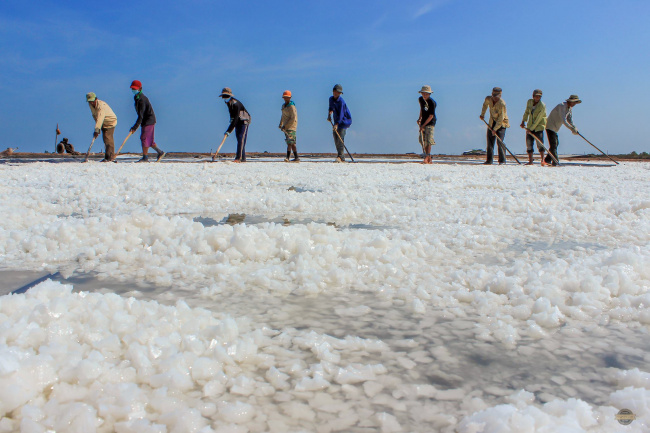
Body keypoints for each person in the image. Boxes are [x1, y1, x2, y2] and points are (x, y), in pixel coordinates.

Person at [129, 80, 165, 163]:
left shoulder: (142, 99)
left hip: (149, 120)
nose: (133, 90)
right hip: (145, 120)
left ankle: (145, 157)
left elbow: (141, 115)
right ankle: (160, 152)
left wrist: (135, 127)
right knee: (149, 140)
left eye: (135, 89)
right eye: (132, 88)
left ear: (140, 88)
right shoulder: (136, 98)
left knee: (144, 138)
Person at [545, 95, 581, 166]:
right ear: (570, 101)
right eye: (574, 102)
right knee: (553, 144)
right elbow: (563, 119)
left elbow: (570, 119)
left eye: (576, 102)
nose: (574, 104)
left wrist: (574, 127)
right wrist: (571, 129)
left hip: (556, 128)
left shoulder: (569, 108)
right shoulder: (562, 106)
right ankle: (555, 161)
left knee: (556, 144)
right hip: (550, 126)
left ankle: (547, 159)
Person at [219, 87, 251, 162]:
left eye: (226, 96)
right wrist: (231, 119)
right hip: (237, 121)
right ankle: (243, 158)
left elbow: (236, 118)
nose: (224, 98)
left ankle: (238, 158)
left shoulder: (236, 104)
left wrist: (229, 130)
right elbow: (232, 115)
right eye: (223, 96)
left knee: (241, 138)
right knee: (238, 138)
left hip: (244, 120)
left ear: (229, 96)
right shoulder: (228, 103)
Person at [479, 87, 509, 164]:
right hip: (492, 122)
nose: (494, 98)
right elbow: (485, 105)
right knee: (490, 142)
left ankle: (502, 161)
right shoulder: (488, 99)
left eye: (497, 96)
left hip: (501, 123)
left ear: (500, 96)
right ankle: (489, 160)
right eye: (493, 95)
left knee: (500, 141)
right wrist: (482, 114)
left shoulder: (502, 104)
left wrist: (495, 129)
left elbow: (501, 118)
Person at [86, 92, 117, 162]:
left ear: (96, 99)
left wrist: (97, 130)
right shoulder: (90, 105)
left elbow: (100, 118)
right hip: (102, 122)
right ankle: (107, 156)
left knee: (108, 138)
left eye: (92, 101)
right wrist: (98, 127)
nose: (91, 103)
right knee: (105, 139)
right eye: (89, 101)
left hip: (110, 121)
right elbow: (95, 116)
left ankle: (110, 157)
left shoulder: (101, 106)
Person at [520, 89, 547, 166]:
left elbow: (539, 118)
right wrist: (523, 121)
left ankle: (542, 160)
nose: (537, 98)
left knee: (540, 143)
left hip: (539, 126)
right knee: (529, 143)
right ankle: (530, 161)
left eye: (539, 96)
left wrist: (531, 129)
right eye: (536, 96)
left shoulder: (542, 105)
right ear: (533, 96)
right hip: (530, 125)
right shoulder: (529, 102)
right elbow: (527, 112)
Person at [327, 84, 352, 162]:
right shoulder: (331, 99)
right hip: (336, 121)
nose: (336, 93)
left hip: (344, 121)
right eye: (335, 92)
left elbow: (341, 114)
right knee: (335, 136)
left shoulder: (341, 101)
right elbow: (331, 108)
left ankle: (341, 157)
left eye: (338, 92)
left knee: (340, 138)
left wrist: (337, 124)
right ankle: (340, 155)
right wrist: (329, 115)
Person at [417, 85, 437, 164]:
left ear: (429, 94)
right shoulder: (421, 99)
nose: (424, 95)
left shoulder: (432, 103)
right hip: (423, 121)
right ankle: (428, 157)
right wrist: (419, 118)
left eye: (426, 94)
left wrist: (423, 125)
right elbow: (421, 109)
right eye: (423, 93)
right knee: (422, 140)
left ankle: (427, 156)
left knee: (428, 140)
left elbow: (431, 116)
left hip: (430, 122)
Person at [278, 90, 299, 162]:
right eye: (284, 97)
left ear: (290, 98)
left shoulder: (292, 107)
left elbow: (293, 118)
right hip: (285, 127)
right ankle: (296, 157)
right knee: (291, 143)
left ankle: (287, 157)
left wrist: (285, 125)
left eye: (287, 97)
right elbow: (283, 116)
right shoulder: (284, 106)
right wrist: (281, 124)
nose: (285, 99)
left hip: (291, 127)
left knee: (290, 142)